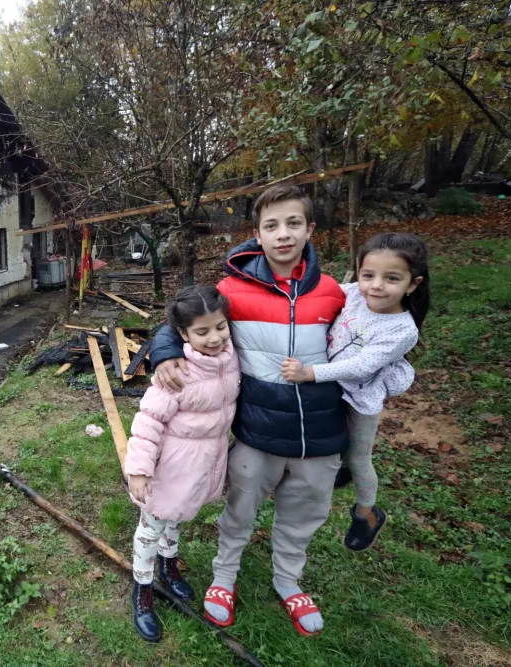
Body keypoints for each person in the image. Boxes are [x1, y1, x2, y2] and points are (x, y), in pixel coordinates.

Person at [149, 184, 348, 637]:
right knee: (240, 508)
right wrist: (164, 354)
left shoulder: (335, 294)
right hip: (257, 429)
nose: (283, 234)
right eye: (272, 225)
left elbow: (371, 332)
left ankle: (288, 580)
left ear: (310, 229)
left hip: (319, 432)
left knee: (304, 513)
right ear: (257, 235)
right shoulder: (233, 290)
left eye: (293, 223)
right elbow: (180, 319)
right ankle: (224, 577)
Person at [281, 232, 429, 552]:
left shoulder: (402, 330)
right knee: (337, 443)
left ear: (412, 284)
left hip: (359, 398)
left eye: (391, 278)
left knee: (360, 457)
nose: (376, 286)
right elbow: (322, 291)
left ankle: (367, 514)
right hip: (329, 389)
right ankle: (343, 466)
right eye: (368, 275)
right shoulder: (353, 294)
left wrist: (310, 373)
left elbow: (362, 366)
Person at [124, 285, 240, 643]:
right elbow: (148, 422)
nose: (214, 337)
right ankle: (142, 589)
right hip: (170, 467)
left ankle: (168, 566)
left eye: (220, 327)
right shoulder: (175, 372)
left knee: (177, 518)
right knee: (152, 526)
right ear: (183, 334)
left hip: (204, 462)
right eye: (201, 332)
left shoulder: (231, 358)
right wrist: (140, 471)